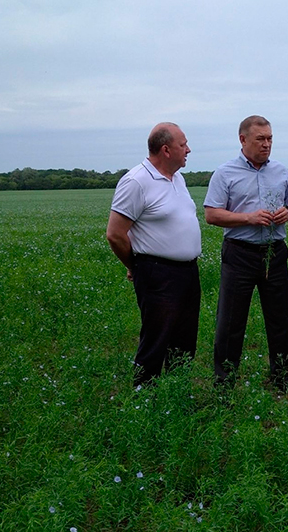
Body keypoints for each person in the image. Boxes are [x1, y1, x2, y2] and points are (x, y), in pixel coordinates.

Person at [204, 115, 288, 393]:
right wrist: (247, 218)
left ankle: (283, 378)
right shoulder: (224, 173)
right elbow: (211, 214)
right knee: (231, 321)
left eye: (270, 138)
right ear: (243, 139)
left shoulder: (281, 171)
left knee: (279, 319)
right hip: (239, 254)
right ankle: (225, 384)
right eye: (261, 138)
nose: (267, 144)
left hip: (275, 252)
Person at [106, 122, 201, 388]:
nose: (188, 149)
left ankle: (176, 393)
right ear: (166, 150)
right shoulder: (136, 181)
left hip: (187, 272)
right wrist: (135, 265)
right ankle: (143, 396)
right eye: (183, 145)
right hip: (157, 272)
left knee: (184, 338)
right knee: (157, 337)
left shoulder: (177, 178)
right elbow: (115, 234)